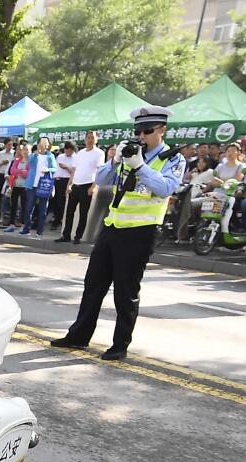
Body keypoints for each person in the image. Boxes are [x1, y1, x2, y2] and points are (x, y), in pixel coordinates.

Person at [51, 106, 184, 361]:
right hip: (112, 227)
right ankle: (78, 336)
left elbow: (166, 187)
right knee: (93, 285)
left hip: (140, 232)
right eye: (138, 131)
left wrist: (140, 166)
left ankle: (120, 344)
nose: (141, 136)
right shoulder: (130, 152)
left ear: (162, 130)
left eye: (147, 131)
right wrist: (115, 160)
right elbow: (101, 179)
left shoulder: (172, 157)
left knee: (126, 291)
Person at [58, 130, 104, 244]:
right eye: (88, 137)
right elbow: (74, 170)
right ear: (85, 139)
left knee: (83, 213)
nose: (90, 140)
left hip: (87, 185)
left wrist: (93, 186)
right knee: (69, 212)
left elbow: (99, 171)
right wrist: (69, 184)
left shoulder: (99, 153)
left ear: (96, 139)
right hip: (75, 185)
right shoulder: (80, 153)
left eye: (92, 138)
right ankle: (66, 235)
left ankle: (78, 236)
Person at [20, 138, 56, 238]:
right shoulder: (34, 155)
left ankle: (39, 231)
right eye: (41, 142)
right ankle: (26, 228)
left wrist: (48, 169)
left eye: (45, 143)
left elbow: (54, 168)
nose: (43, 145)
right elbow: (29, 162)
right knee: (28, 208)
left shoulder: (50, 156)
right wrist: (36, 153)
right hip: (32, 185)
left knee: (43, 210)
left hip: (43, 185)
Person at [3, 143, 29, 229]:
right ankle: (11, 224)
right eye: (20, 150)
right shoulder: (16, 161)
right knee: (13, 205)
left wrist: (20, 172)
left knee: (24, 206)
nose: (22, 152)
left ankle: (23, 224)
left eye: (24, 150)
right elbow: (12, 171)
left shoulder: (30, 162)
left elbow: (27, 174)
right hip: (15, 185)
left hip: (25, 186)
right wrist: (22, 171)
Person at [50, 141, 76, 230]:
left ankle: (58, 220)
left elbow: (74, 172)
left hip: (67, 181)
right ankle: (56, 217)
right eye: (66, 150)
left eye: (69, 150)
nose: (67, 152)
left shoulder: (75, 158)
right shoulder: (60, 156)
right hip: (57, 180)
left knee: (62, 202)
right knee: (55, 201)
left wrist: (66, 167)